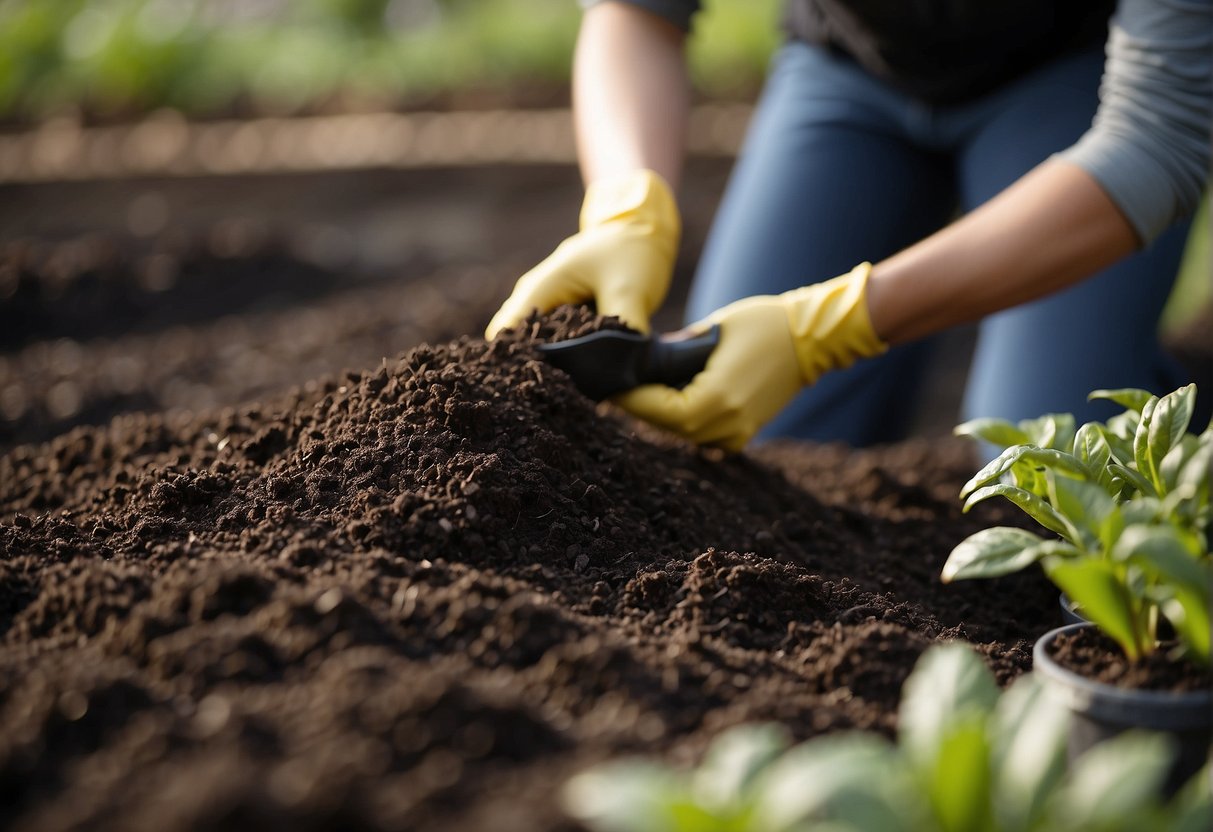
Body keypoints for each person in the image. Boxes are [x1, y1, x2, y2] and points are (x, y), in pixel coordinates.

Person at [487, 0, 1212, 452]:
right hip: (851, 75)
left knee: (1041, 467)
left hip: (1083, 75)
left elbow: (1156, 141)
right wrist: (627, 208)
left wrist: (827, 328)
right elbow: (636, 12)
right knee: (736, 437)